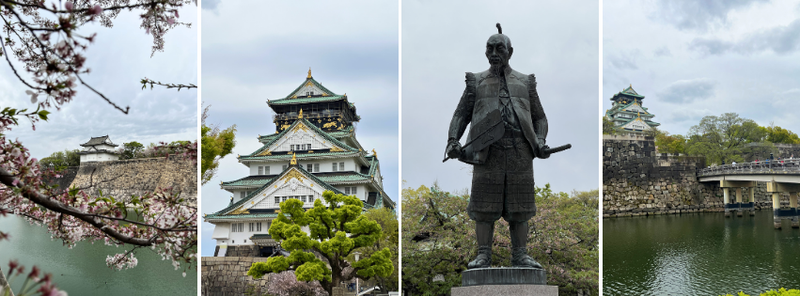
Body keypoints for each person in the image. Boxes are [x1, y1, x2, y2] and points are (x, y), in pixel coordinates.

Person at [446, 23, 549, 269]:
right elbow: (461, 114)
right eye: (489, 48)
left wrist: (541, 141)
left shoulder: (525, 82)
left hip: (520, 150)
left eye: (499, 48)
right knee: (483, 206)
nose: (494, 53)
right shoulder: (476, 82)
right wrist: (453, 141)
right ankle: (483, 254)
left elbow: (540, 118)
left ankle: (520, 255)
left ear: (510, 52)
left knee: (520, 207)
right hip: (487, 150)